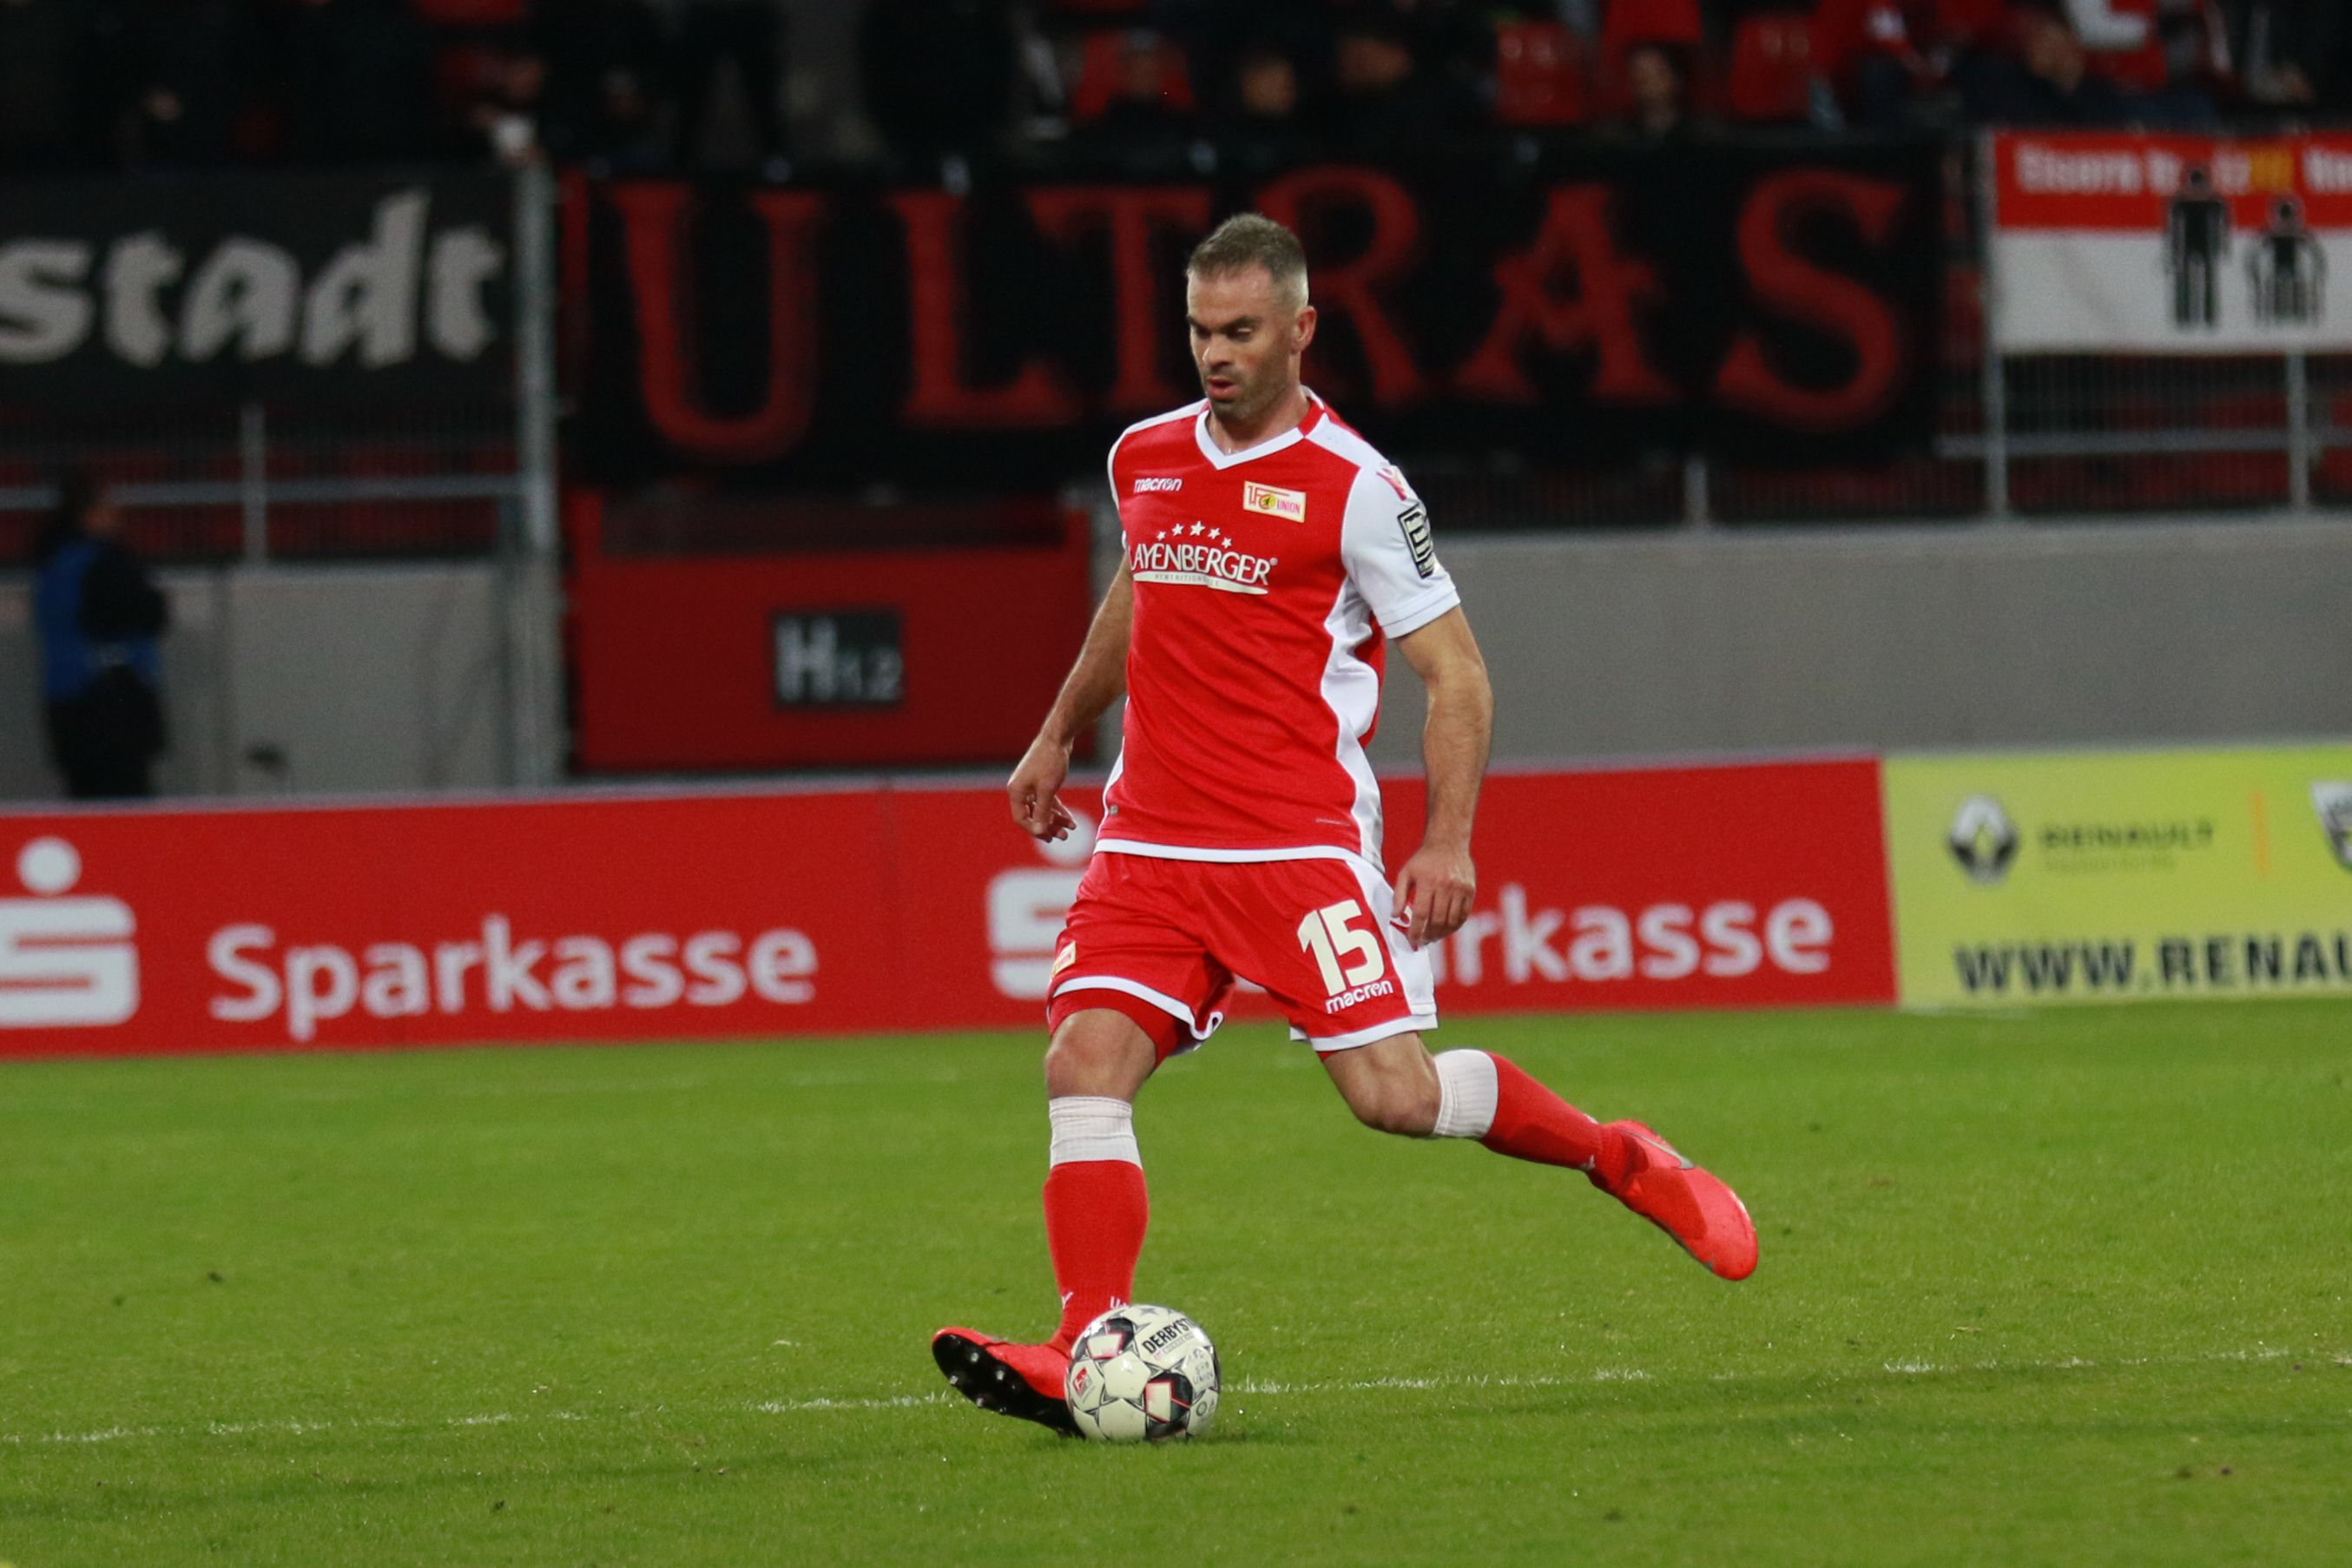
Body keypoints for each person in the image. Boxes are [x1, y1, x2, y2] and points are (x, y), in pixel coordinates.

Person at [931, 214, 1757, 1434]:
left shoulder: (1360, 488)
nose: (1215, 353)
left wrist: (1447, 838)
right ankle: (1077, 1340)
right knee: (1083, 1065)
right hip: (1150, 842)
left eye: (1242, 331)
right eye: (1201, 330)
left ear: (1301, 329)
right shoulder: (1143, 457)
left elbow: (1458, 675)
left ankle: (1616, 1153)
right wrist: (1060, 730)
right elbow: (1139, 588)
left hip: (1292, 848)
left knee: (1394, 1097)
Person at [33, 476, 170, 800]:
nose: (116, 516)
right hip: (108, 704)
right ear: (88, 514)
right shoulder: (102, 563)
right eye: (107, 508)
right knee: (122, 803)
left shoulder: (51, 563)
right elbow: (147, 614)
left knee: (85, 800)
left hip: (69, 703)